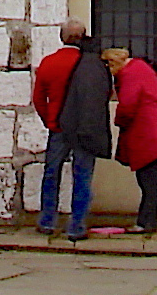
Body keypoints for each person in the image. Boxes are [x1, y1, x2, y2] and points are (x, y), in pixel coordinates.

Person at [37, 25, 114, 241]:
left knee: (52, 173)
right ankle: (77, 225)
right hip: (83, 127)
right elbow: (104, 93)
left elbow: (38, 98)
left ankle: (47, 221)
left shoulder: (49, 62)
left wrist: (49, 120)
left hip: (58, 127)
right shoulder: (92, 63)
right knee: (82, 175)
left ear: (62, 37)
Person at [103, 46, 157, 236]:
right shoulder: (141, 68)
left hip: (149, 135)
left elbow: (128, 105)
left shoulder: (130, 74)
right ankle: (148, 221)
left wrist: (117, 120)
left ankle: (145, 222)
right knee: (151, 182)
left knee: (147, 181)